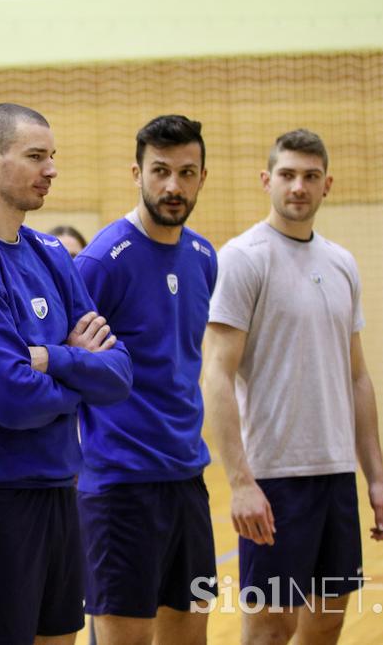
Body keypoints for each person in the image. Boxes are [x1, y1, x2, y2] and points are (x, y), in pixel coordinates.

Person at [0, 103, 133, 645]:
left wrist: (52, 357)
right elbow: (9, 396)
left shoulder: (53, 253)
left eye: (52, 156)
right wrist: (79, 371)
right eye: (36, 156)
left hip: (60, 489)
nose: (52, 169)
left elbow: (120, 373)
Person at [203, 129, 383, 644]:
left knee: (328, 622)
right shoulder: (243, 258)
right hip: (274, 479)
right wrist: (241, 481)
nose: (298, 187)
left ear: (327, 184)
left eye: (310, 176)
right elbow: (217, 373)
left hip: (334, 477)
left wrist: (375, 478)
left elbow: (356, 375)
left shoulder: (342, 263)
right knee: (271, 627)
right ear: (267, 180)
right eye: (287, 175)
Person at [72, 115, 217, 645]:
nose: (173, 186)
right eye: (160, 171)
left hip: (187, 480)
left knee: (189, 635)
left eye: (186, 172)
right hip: (120, 487)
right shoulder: (101, 261)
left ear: (203, 177)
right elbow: (72, 368)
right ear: (136, 172)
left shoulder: (204, 257)